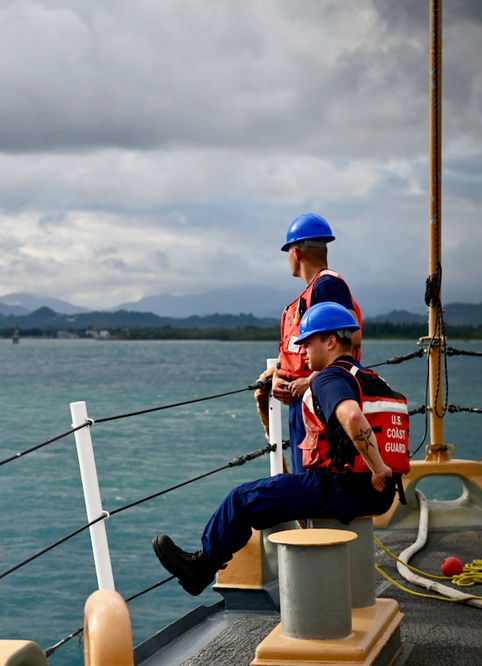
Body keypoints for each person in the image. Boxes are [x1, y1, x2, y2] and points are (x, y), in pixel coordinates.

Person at [153, 302, 396, 596]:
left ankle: (201, 568)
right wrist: (381, 469)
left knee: (242, 500)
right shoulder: (369, 377)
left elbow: (352, 416)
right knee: (278, 493)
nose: (303, 351)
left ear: (331, 341)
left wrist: (376, 467)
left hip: (346, 487)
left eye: (308, 343)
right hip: (382, 493)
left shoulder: (330, 378)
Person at [272, 213, 363, 473]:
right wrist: (279, 378)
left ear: (296, 253)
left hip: (318, 401)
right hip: (303, 399)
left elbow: (350, 337)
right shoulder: (312, 291)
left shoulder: (326, 286)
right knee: (305, 477)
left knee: (313, 481)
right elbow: (298, 349)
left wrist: (311, 380)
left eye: (288, 251)